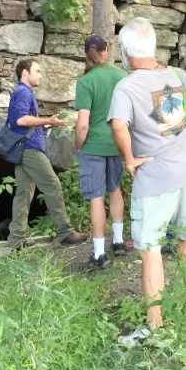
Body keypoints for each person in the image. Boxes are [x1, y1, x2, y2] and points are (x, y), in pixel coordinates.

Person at [108, 17, 186, 344]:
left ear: (125, 51)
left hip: (154, 178)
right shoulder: (178, 76)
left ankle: (156, 328)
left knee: (150, 249)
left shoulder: (126, 86)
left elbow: (118, 126)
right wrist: (174, 129)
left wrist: (129, 159)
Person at [7, 59, 89, 249]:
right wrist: (46, 121)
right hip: (29, 149)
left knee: (23, 193)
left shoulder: (24, 93)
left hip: (23, 148)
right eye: (37, 71)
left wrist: (48, 123)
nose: (41, 75)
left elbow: (26, 122)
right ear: (25, 73)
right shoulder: (22, 92)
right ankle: (65, 233)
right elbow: (20, 120)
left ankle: (16, 240)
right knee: (52, 185)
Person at [75, 35, 130, 268]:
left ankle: (99, 254)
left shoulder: (86, 82)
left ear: (87, 54)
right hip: (117, 143)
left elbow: (83, 123)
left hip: (94, 146)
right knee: (115, 190)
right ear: (106, 52)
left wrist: (79, 144)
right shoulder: (122, 77)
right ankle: (118, 242)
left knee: (96, 198)